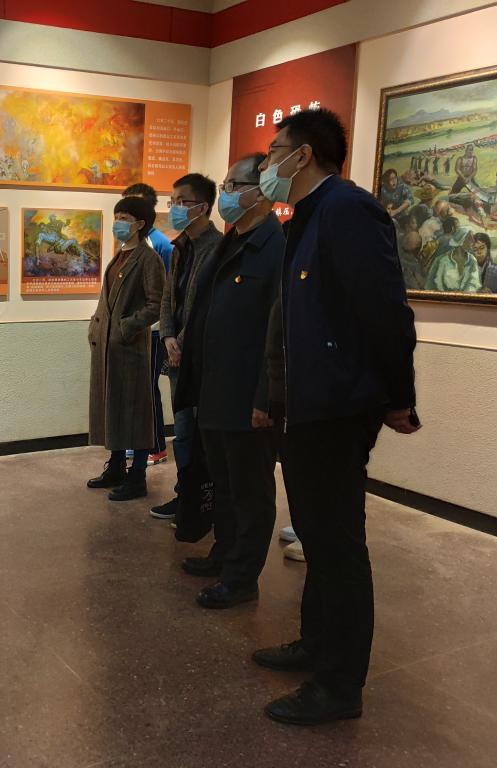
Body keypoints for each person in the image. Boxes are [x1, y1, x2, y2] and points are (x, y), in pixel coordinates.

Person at [253, 108, 419, 726]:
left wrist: (399, 396)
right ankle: (316, 642)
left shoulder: (348, 210)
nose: (267, 163)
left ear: (304, 154)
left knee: (338, 544)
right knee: (317, 535)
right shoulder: (306, 216)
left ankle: (340, 685)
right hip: (307, 406)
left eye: (275, 151)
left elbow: (386, 312)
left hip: (337, 408)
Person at [173, 154, 283, 609]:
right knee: (222, 483)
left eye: (234, 186)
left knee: (250, 491)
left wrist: (266, 397)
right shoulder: (230, 241)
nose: (227, 195)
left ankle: (241, 578)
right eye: (225, 186)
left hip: (247, 396)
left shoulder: (275, 247)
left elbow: (278, 332)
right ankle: (224, 553)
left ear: (260, 191)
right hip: (215, 390)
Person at [152, 173, 222, 520]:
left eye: (182, 202)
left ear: (203, 207)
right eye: (173, 201)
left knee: (200, 436)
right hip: (176, 354)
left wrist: (182, 342)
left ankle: (202, 500)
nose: (175, 208)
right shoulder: (180, 247)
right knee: (181, 433)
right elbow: (169, 296)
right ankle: (185, 495)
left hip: (201, 359)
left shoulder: (218, 247)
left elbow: (208, 306)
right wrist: (168, 336)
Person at [87, 196, 166, 501]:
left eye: (124, 218)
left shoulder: (148, 259)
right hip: (109, 348)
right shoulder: (119, 255)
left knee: (136, 413)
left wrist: (126, 327)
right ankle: (117, 466)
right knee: (114, 409)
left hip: (131, 349)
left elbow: (156, 304)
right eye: (117, 216)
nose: (117, 223)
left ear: (139, 224)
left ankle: (137, 476)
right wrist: (96, 328)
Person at [122, 183, 174, 466]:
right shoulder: (131, 243)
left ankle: (156, 446)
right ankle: (138, 442)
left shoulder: (158, 245)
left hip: (151, 332)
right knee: (135, 389)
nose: (124, 216)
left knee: (147, 388)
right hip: (134, 330)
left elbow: (165, 295)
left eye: (131, 209)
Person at [425, 226, 482, 292]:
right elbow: (431, 285)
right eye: (470, 238)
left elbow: (474, 283)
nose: (473, 241)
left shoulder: (472, 260)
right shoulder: (441, 260)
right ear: (461, 240)